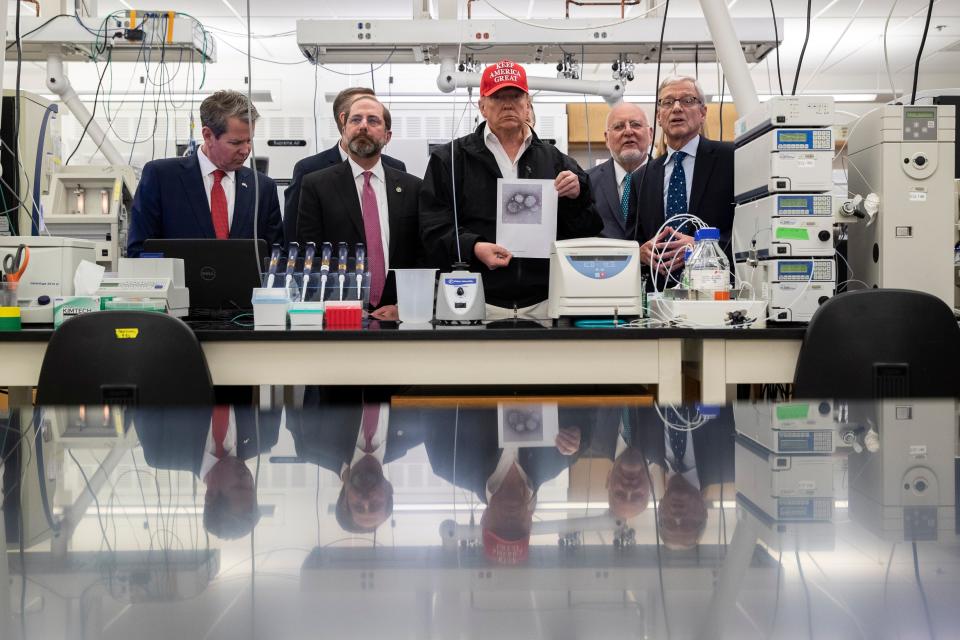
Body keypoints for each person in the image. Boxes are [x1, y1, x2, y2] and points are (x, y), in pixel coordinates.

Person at [420, 60, 602, 319]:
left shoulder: (557, 161)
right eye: (497, 97)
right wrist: (474, 247)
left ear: (527, 104)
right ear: (482, 106)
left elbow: (588, 229)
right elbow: (432, 229)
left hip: (545, 303)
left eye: (515, 96)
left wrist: (576, 197)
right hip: (476, 301)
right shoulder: (450, 160)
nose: (507, 104)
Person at [297, 96, 422, 320]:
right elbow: (310, 255)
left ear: (387, 136)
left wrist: (403, 304)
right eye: (356, 120)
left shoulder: (413, 187)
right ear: (344, 130)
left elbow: (422, 255)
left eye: (373, 121)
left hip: (398, 314)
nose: (363, 125)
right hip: (339, 314)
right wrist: (335, 306)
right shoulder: (316, 185)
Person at [127, 90, 283, 257]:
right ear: (208, 135)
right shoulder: (162, 178)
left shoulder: (263, 188)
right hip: (180, 283)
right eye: (236, 142)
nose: (246, 150)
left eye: (249, 140)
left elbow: (277, 256)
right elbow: (139, 251)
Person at [424, 405, 584, 564]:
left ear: (484, 519)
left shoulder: (448, 461)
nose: (510, 521)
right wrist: (577, 433)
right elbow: (588, 411)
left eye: (500, 529)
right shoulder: (559, 458)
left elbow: (428, 403)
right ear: (529, 522)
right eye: (517, 530)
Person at [626, 76, 734, 288]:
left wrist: (705, 246)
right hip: (660, 296)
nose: (676, 108)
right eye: (667, 102)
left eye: (687, 100)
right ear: (659, 116)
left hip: (716, 289)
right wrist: (640, 252)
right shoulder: (642, 178)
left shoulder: (731, 159)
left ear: (703, 113)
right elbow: (633, 240)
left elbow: (748, 229)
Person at [133, 406, 281, 540]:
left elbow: (142, 385)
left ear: (210, 495)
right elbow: (275, 384)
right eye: (251, 488)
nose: (247, 478)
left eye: (239, 487)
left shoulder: (161, 449)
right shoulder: (265, 434)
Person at [283, 87, 407, 243]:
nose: (365, 124)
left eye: (373, 117)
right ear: (344, 120)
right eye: (357, 116)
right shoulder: (310, 171)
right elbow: (294, 236)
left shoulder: (396, 169)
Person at [286, 403, 424, 534]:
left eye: (358, 507)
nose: (365, 500)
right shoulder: (415, 433)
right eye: (375, 505)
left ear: (344, 500)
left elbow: (291, 389)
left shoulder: (310, 445)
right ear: (389, 490)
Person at [587, 102, 653, 240]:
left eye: (635, 124)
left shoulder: (667, 178)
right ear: (606, 138)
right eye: (618, 126)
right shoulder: (587, 182)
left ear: (650, 134)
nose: (628, 132)